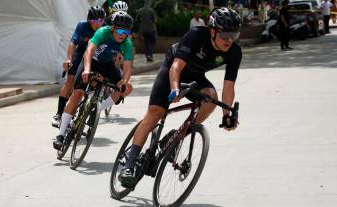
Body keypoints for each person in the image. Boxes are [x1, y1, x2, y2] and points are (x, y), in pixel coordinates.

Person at [118, 7, 242, 187]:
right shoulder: (196, 35)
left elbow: (229, 87)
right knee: (155, 113)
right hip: (173, 70)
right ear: (213, 31)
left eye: (235, 35)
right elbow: (176, 66)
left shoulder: (234, 52)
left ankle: (176, 136)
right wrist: (175, 89)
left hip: (195, 77)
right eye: (225, 35)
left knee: (211, 98)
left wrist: (227, 115)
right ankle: (129, 165)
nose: (229, 40)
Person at [53, 11, 134, 150]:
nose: (123, 35)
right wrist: (86, 69)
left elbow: (127, 65)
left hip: (107, 65)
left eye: (126, 32)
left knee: (127, 88)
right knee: (77, 94)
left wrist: (124, 82)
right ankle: (60, 134)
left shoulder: (127, 43)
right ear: (113, 28)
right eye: (120, 30)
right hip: (90, 61)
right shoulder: (103, 32)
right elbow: (89, 51)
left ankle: (97, 108)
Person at [51, 6, 105, 127]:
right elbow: (73, 43)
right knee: (70, 82)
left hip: (95, 57)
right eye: (95, 21)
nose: (98, 24)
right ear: (89, 20)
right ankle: (59, 114)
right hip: (80, 54)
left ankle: (90, 110)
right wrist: (69, 58)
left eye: (101, 21)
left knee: (96, 82)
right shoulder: (82, 25)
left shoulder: (104, 29)